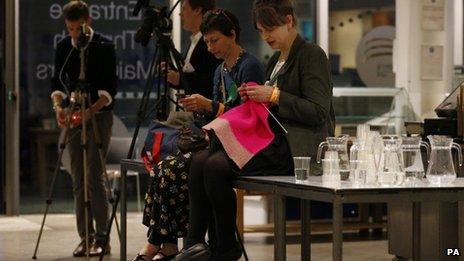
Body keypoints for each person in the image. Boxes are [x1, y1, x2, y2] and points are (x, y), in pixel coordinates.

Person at [174, 0, 334, 260]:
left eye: (270, 29)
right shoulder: (275, 61)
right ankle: (196, 244)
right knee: (200, 160)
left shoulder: (311, 55)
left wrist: (273, 94)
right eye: (261, 31)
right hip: (270, 140)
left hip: (295, 148)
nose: (266, 36)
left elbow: (318, 112)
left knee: (214, 165)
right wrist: (257, 99)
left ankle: (223, 248)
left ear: (289, 21)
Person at [131, 8, 265, 261]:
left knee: (178, 168)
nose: (210, 46)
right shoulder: (219, 71)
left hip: (243, 144)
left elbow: (249, 117)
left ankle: (176, 243)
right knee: (164, 167)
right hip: (219, 142)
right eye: (206, 41)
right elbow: (218, 117)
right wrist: (203, 111)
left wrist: (210, 106)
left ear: (232, 35)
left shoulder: (250, 66)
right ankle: (184, 243)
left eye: (215, 40)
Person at [50, 0, 117, 257]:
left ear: (88, 21)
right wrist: (59, 108)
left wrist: (86, 113)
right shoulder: (64, 46)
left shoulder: (104, 45)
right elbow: (56, 81)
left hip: (99, 116)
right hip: (74, 114)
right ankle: (85, 237)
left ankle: (103, 237)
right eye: (69, 29)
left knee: (94, 177)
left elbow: (110, 89)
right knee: (78, 176)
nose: (74, 35)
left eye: (78, 28)